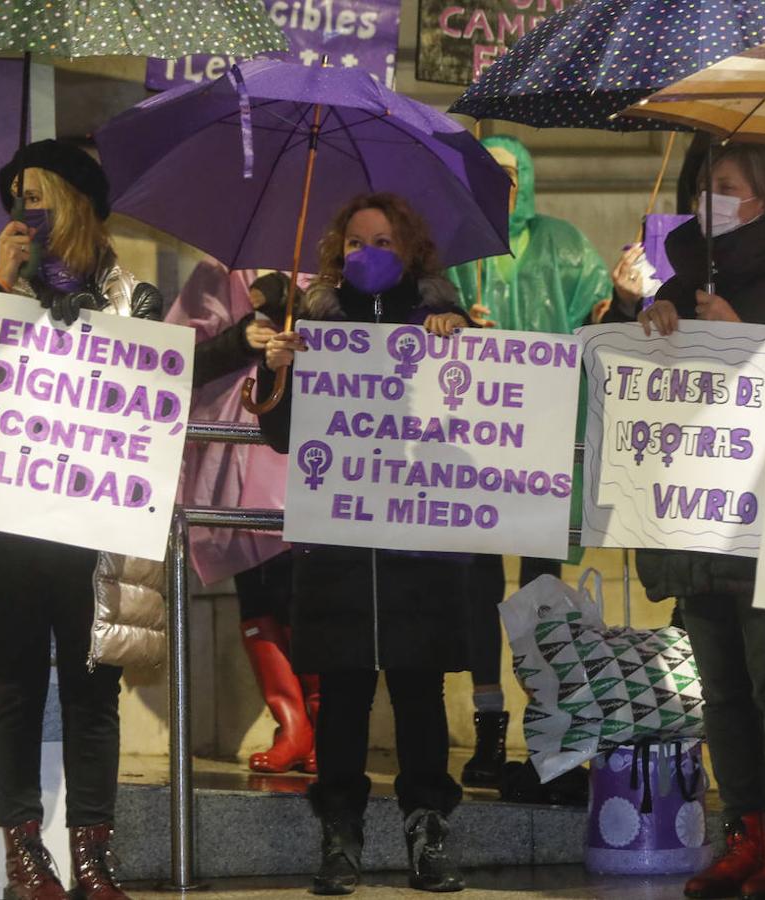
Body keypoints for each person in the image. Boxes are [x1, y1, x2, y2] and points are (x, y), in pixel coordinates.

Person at [0, 139, 165, 900]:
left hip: (93, 540)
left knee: (93, 696)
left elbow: (161, 399)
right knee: (16, 688)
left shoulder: (138, 301)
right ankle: (24, 858)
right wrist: (1, 285)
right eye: (15, 198)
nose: (24, 210)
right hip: (8, 535)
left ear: (77, 201)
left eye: (36, 193)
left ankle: (94, 856)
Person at [607, 143, 765, 900]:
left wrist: (743, 334)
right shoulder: (681, 278)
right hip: (694, 527)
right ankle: (746, 830)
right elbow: (629, 383)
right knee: (723, 692)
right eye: (705, 186)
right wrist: (638, 315)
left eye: (729, 187)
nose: (712, 198)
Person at [258, 192, 472, 895]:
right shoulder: (313, 325)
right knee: (343, 697)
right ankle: (340, 836)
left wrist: (464, 340)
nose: (366, 252)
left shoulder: (447, 321)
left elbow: (479, 416)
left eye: (381, 239)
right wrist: (280, 369)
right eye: (354, 241)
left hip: (419, 548)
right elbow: (281, 434)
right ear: (335, 250)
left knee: (418, 691)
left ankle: (427, 832)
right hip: (339, 548)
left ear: (410, 248)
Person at [446, 135, 613, 789]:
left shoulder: (563, 244)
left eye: (510, 174)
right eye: (486, 174)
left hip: (546, 442)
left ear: (531, 179)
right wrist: (452, 319)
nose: (500, 185)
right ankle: (489, 727)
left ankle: (552, 726)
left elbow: (600, 320)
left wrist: (619, 302)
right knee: (475, 588)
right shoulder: (457, 252)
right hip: (473, 449)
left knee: (543, 591)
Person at [171, 265, 319, 774]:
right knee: (256, 592)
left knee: (306, 592)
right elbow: (175, 360)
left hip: (304, 461)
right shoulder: (215, 274)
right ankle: (293, 725)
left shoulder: (330, 269)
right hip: (232, 459)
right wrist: (239, 340)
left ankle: (322, 725)